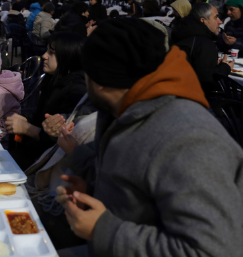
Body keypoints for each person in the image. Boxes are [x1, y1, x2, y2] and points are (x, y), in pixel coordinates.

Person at [56, 18, 243, 257]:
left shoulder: (188, 139)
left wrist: (102, 229)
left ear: (98, 81)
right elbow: (139, 189)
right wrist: (93, 189)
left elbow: (212, 250)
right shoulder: (122, 110)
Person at [4, 32, 88, 166]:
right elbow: (41, 116)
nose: (44, 56)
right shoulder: (54, 79)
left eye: (51, 53)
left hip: (48, 161)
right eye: (46, 50)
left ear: (68, 56)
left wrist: (27, 128)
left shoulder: (76, 91)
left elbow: (58, 138)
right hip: (35, 152)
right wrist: (25, 118)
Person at [172, 1, 233, 93]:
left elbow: (196, 65)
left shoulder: (183, 32)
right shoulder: (204, 42)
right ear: (203, 20)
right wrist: (225, 67)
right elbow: (207, 80)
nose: (220, 22)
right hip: (192, 96)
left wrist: (212, 63)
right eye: (216, 17)